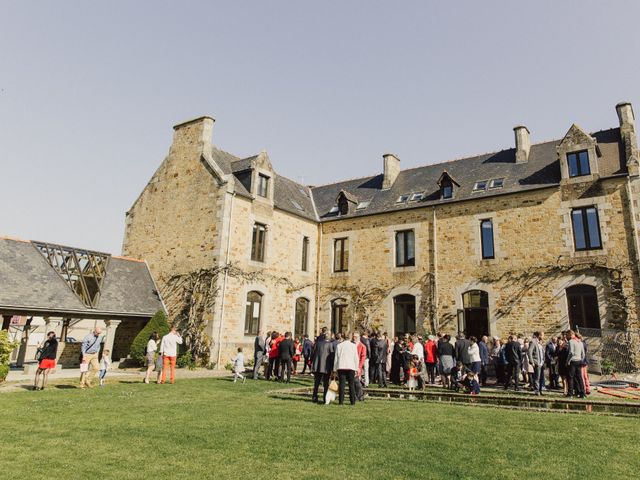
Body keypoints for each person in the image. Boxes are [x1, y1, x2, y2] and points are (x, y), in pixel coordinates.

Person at [333, 333, 359, 405]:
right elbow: (356, 358)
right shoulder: (353, 346)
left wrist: (334, 370)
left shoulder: (339, 345)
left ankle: (341, 401)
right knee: (351, 385)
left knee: (342, 385)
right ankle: (352, 401)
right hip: (351, 367)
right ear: (350, 338)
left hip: (341, 366)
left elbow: (336, 358)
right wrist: (356, 368)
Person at [311, 329, 334, 403]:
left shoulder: (317, 343)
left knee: (316, 383)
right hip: (326, 367)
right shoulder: (330, 344)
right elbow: (331, 356)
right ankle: (325, 398)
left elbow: (313, 354)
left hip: (317, 365)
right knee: (326, 384)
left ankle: (314, 396)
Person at [566, 330, 586, 398]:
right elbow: (583, 353)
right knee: (579, 377)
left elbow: (571, 352)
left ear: (570, 334)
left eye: (567, 335)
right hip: (579, 360)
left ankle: (570, 393)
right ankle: (582, 393)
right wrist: (581, 359)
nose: (566, 337)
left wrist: (567, 361)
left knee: (570, 377)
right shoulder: (580, 341)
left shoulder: (571, 341)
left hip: (573, 361)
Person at [527, 331, 545, 395]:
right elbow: (529, 351)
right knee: (537, 377)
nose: (543, 337)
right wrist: (532, 361)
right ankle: (537, 391)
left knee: (541, 377)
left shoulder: (540, 343)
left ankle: (540, 390)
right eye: (543, 335)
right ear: (539, 335)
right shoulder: (533, 342)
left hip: (542, 362)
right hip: (536, 362)